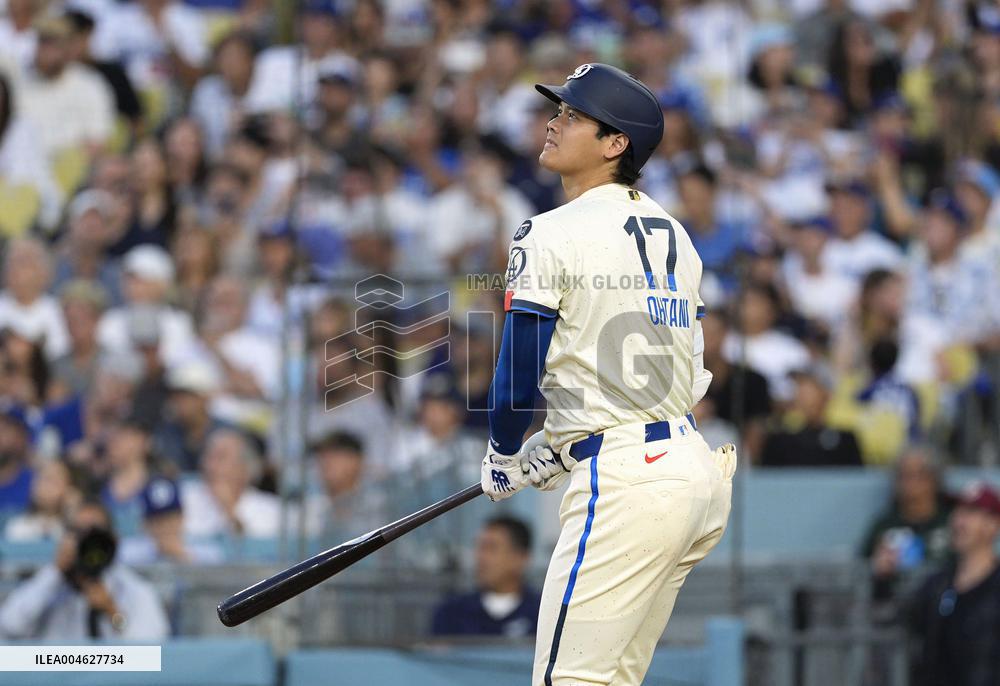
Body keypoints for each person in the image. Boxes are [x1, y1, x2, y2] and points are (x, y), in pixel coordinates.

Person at [480, 63, 736, 686]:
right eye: (557, 111)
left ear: (616, 143)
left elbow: (517, 376)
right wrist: (568, 446)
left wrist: (503, 450)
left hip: (627, 483)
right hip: (690, 472)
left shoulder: (550, 231)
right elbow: (671, 374)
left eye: (572, 115)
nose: (553, 122)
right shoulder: (676, 233)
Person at [0, 499, 169, 640]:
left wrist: (112, 611)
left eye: (94, 534)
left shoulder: (133, 589)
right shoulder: (50, 583)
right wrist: (55, 572)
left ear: (113, 540)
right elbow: (9, 625)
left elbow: (154, 650)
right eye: (78, 532)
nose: (86, 542)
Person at [906, 481, 1000, 686]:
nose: (958, 521)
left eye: (970, 512)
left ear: (993, 524)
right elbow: (898, 623)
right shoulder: (936, 585)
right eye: (957, 511)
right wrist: (882, 580)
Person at [861, 447, 953, 601]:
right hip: (893, 607)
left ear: (934, 479)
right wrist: (877, 568)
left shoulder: (952, 522)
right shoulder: (884, 525)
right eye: (902, 476)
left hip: (945, 605)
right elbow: (861, 569)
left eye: (918, 475)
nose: (909, 483)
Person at [431, 516, 542, 638]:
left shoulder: (543, 614)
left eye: (491, 548)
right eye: (479, 548)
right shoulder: (451, 614)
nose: (481, 557)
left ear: (521, 557)